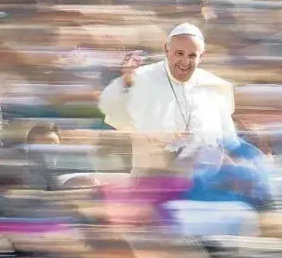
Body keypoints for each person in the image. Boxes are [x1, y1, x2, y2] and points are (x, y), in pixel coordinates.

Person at [98, 22, 238, 173]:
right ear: (167, 49)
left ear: (201, 56)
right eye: (179, 53)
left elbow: (228, 138)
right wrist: (126, 84)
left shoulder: (213, 86)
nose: (185, 62)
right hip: (154, 177)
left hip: (204, 179)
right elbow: (115, 115)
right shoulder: (142, 78)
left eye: (192, 55)